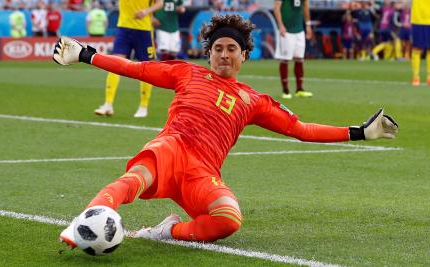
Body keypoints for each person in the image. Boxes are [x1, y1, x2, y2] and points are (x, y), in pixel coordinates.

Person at [53, 14, 398, 245]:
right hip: (173, 147)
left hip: (203, 172)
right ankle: (83, 224)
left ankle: (168, 231)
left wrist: (358, 133)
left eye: (231, 48)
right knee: (136, 177)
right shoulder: (188, 73)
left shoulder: (254, 100)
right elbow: (137, 68)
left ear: (244, 55)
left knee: (229, 219)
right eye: (217, 48)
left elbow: (301, 129)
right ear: (209, 54)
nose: (223, 54)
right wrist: (86, 55)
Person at [94, 0, 163, 118]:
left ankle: (143, 106)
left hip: (143, 29)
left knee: (147, 68)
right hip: (123, 28)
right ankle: (108, 104)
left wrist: (146, 11)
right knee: (114, 64)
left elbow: (160, 3)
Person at [273, 0, 314, 99]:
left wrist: (308, 25)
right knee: (285, 59)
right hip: (286, 30)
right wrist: (280, 25)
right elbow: (276, 8)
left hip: (299, 30)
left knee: (299, 59)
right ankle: (285, 90)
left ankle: (299, 89)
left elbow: (305, 6)